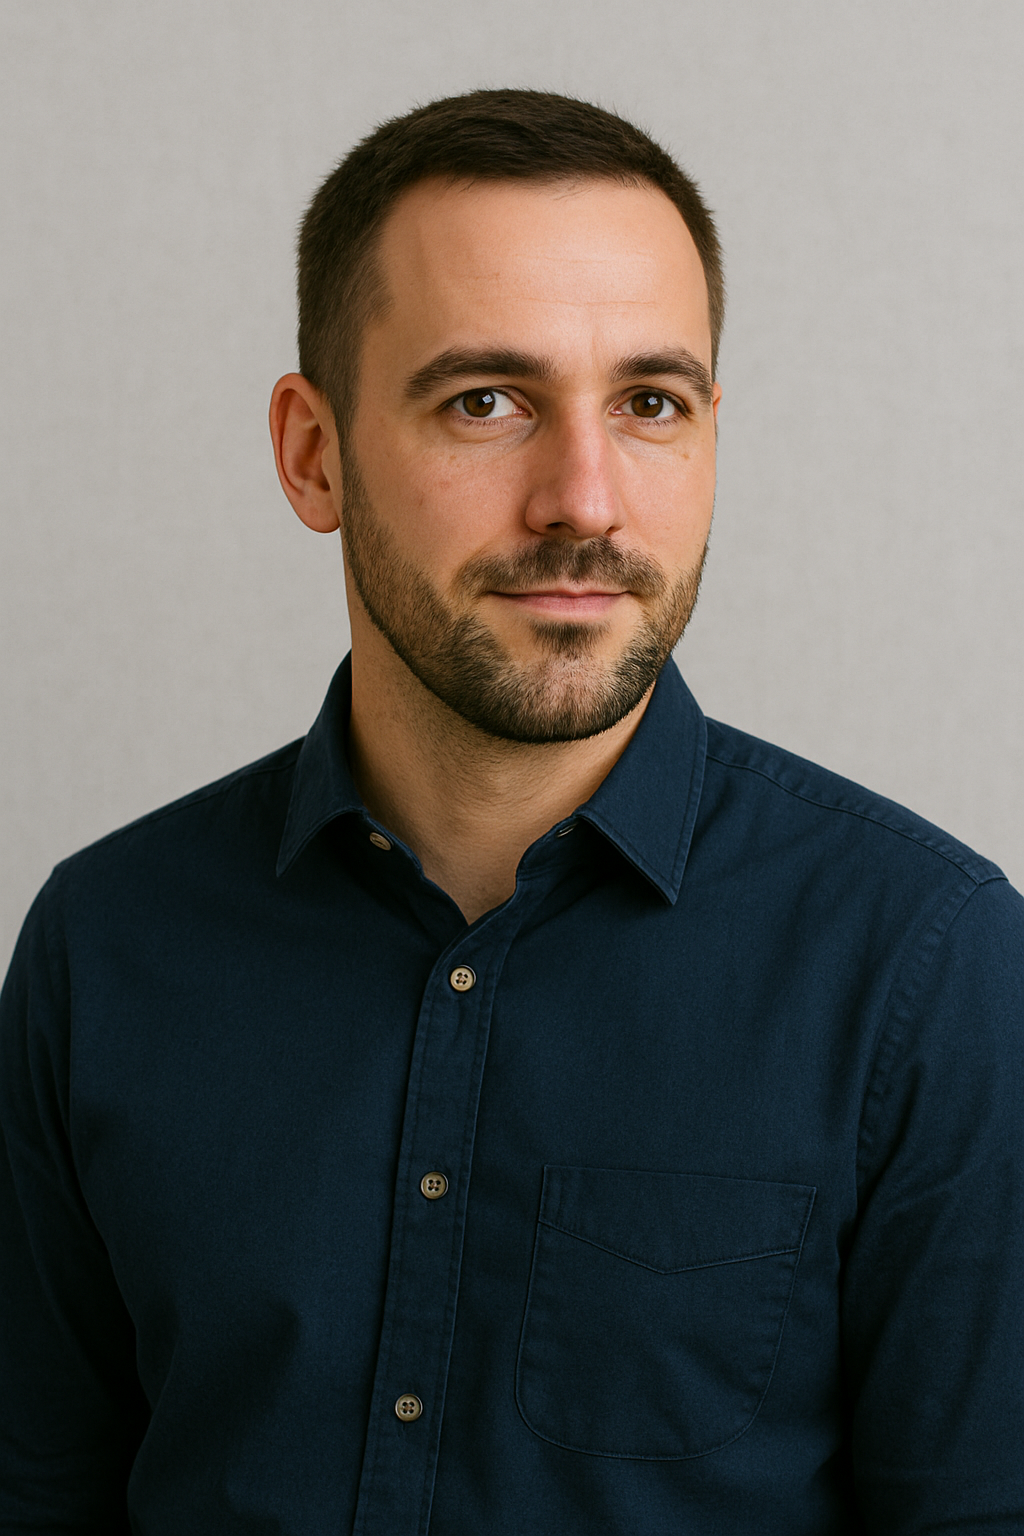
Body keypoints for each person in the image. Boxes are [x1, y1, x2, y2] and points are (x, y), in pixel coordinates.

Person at [1, 88, 1022, 1536]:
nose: (583, 499)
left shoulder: (927, 966)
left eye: (651, 404)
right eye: (486, 401)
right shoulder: (100, 949)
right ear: (314, 454)